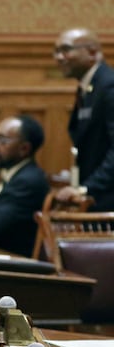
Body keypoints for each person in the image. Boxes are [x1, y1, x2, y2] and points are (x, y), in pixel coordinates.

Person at [53, 27, 114, 211]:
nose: (59, 57)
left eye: (66, 49)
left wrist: (86, 188)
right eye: (56, 51)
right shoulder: (90, 87)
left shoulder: (109, 86)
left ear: (92, 52)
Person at [0, 115, 49, 257]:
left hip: (13, 263)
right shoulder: (15, 175)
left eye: (3, 141)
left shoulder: (28, 181)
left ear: (24, 148)